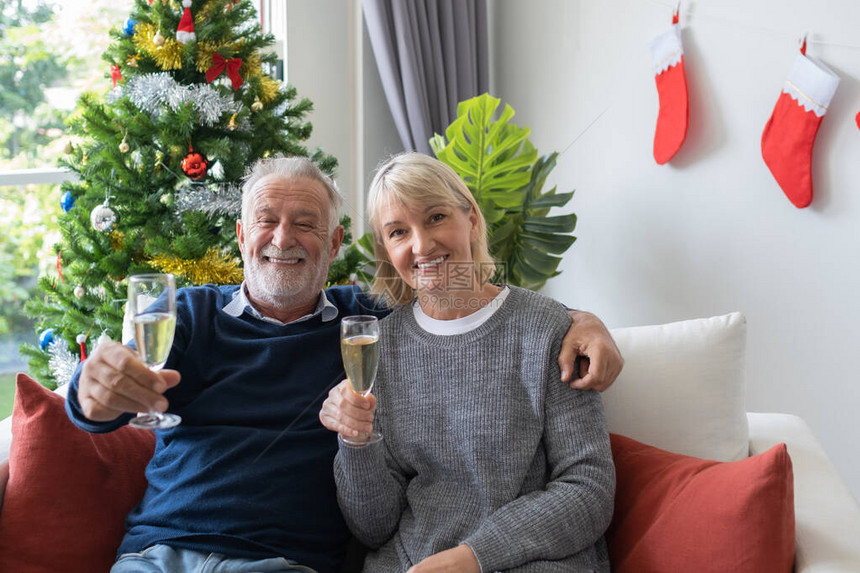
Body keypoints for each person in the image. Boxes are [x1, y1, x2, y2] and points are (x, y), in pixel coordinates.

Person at [66, 155, 622, 573]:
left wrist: (578, 319)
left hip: (279, 562)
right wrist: (89, 391)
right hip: (158, 553)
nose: (283, 238)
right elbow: (112, 395)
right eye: (266, 219)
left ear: (333, 244)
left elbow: (466, 307)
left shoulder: (363, 327)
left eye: (305, 223)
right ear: (241, 236)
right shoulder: (189, 314)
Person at [319, 152, 615, 572]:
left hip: (533, 561)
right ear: (386, 249)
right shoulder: (381, 348)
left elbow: (589, 491)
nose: (421, 245)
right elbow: (374, 528)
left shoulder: (548, 329)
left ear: (471, 219)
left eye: (436, 217)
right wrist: (356, 441)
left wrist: (474, 558)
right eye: (399, 231)